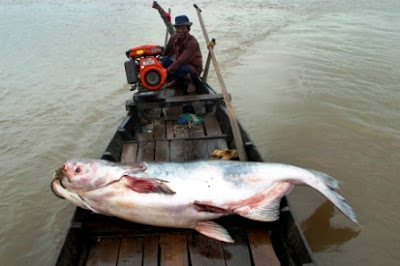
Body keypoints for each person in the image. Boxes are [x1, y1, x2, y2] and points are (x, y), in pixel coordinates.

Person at [160, 15, 203, 92]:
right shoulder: (173, 38)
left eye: (183, 28)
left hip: (192, 68)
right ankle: (176, 80)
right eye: (178, 28)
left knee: (182, 69)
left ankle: (190, 82)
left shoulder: (192, 42)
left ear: (188, 29)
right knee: (164, 60)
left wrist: (165, 73)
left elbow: (181, 61)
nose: (180, 30)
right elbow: (166, 53)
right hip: (180, 64)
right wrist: (159, 64)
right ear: (175, 29)